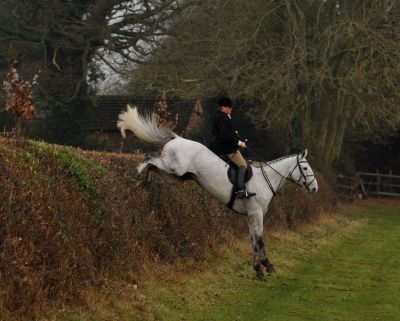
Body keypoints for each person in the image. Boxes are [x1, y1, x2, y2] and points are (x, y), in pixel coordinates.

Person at [210, 96, 256, 199]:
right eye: (229, 107)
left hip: (226, 146)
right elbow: (225, 136)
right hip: (225, 148)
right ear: (224, 107)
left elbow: (228, 134)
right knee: (243, 164)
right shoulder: (222, 118)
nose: (231, 109)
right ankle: (240, 190)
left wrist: (239, 141)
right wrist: (239, 143)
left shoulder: (221, 117)